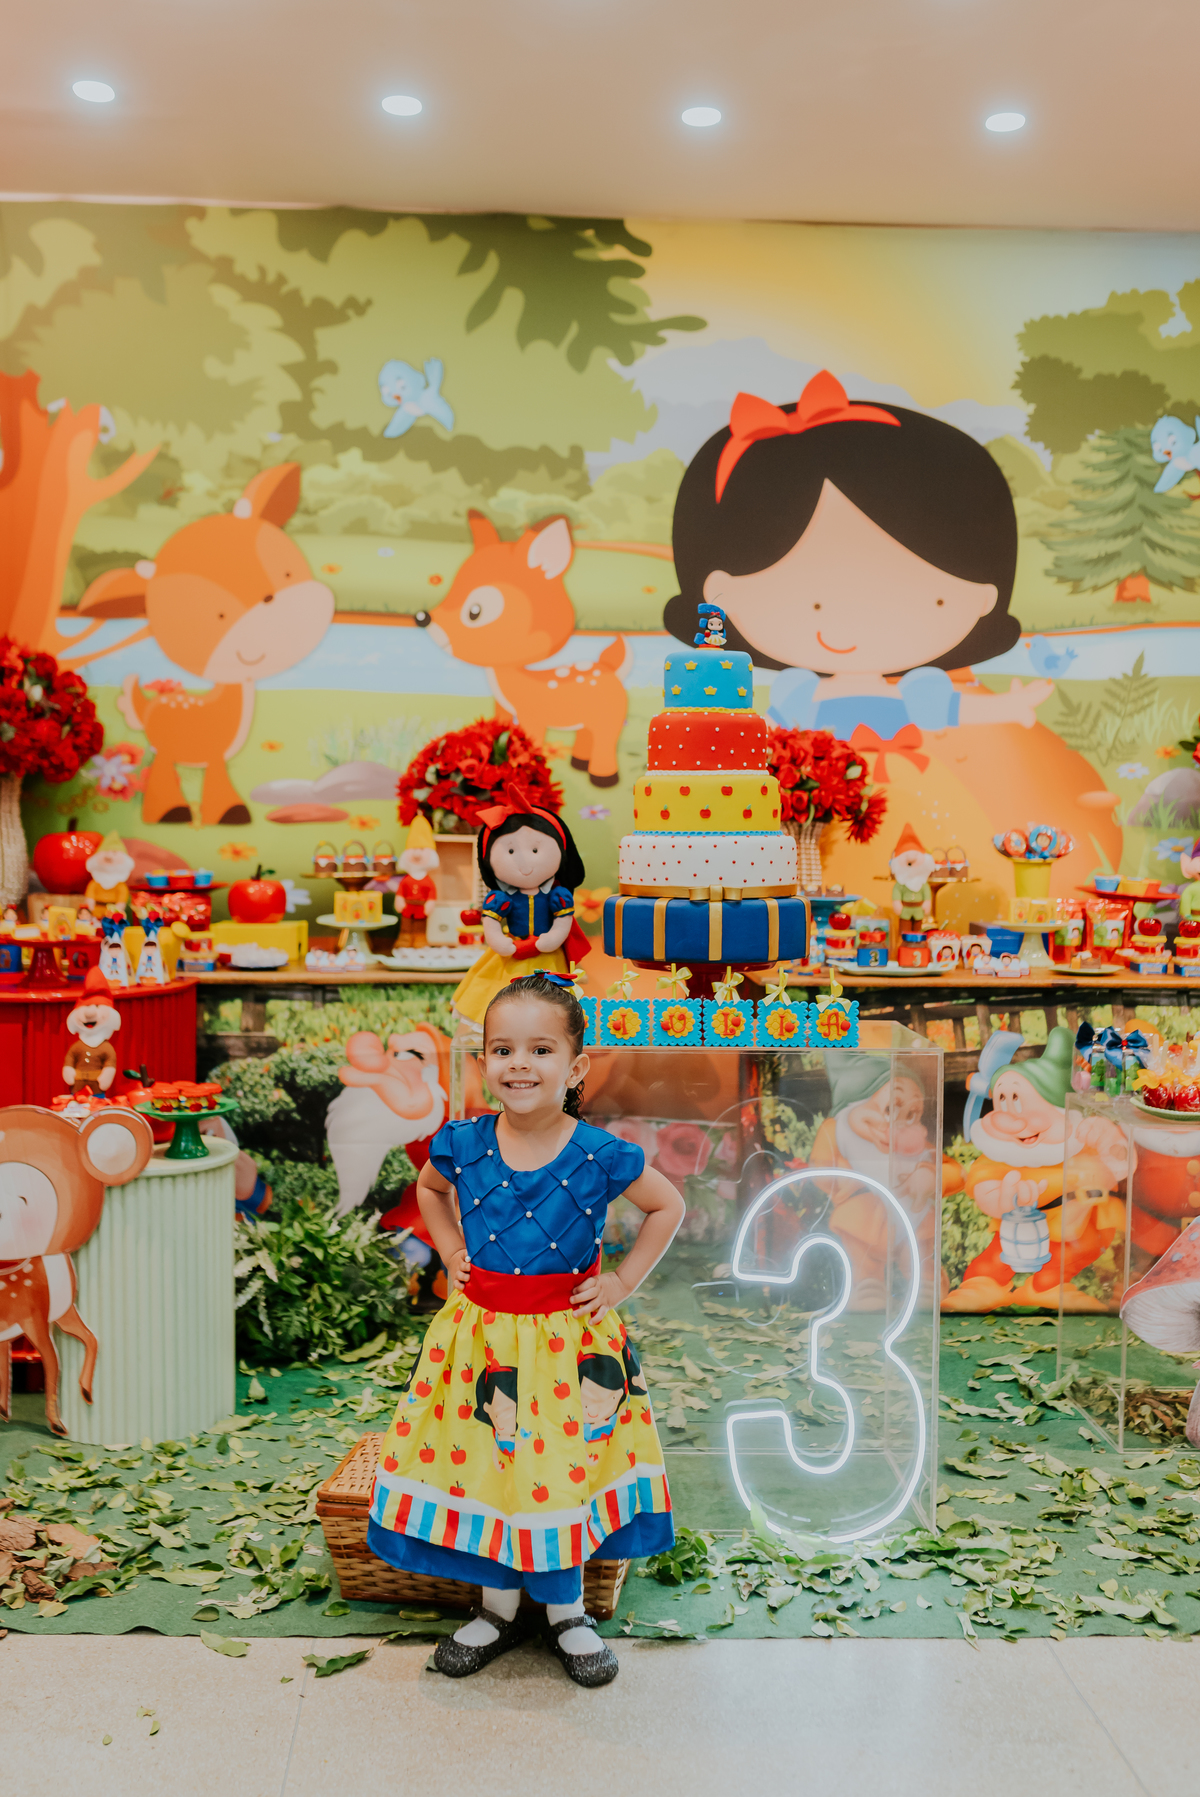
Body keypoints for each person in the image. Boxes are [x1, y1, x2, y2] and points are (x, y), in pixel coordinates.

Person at [663, 369, 1119, 891]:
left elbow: (951, 709)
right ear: (719, 591)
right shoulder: (799, 692)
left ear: (984, 595)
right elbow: (761, 734)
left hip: (916, 787)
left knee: (921, 860)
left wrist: (1008, 707)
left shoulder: (919, 690)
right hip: (823, 821)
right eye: (812, 601)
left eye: (933, 596)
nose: (843, 623)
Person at [368, 971, 685, 1686]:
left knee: (555, 1470)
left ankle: (566, 1609)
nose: (519, 1063)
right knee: (487, 1465)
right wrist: (450, 1251)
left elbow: (667, 1207)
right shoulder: (464, 1144)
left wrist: (621, 1280)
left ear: (575, 1068)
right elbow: (428, 1190)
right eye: (501, 1048)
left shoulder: (599, 1152)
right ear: (482, 1061)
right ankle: (495, 1607)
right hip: (482, 1341)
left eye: (540, 1049)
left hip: (563, 1344)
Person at [450, 783, 591, 1030]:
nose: (524, 862)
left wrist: (552, 938)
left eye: (536, 849)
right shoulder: (501, 898)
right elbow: (491, 922)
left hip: (548, 957)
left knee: (551, 1011)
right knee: (498, 1002)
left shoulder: (557, 896)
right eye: (511, 851)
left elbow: (562, 922)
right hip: (510, 953)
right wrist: (499, 941)